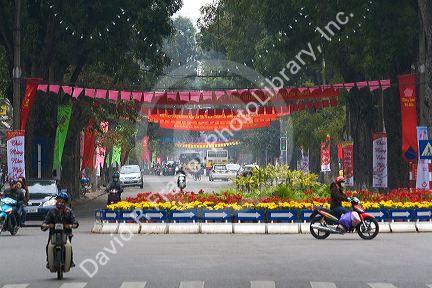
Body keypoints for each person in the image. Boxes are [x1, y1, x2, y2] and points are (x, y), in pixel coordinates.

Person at [41, 192, 78, 268]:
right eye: (58, 201)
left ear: (66, 203)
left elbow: (75, 223)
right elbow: (45, 222)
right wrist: (46, 225)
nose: (60, 203)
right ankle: (49, 261)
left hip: (66, 234)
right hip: (53, 234)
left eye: (62, 201)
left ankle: (70, 261)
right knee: (48, 246)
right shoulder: (51, 212)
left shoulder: (69, 212)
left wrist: (69, 225)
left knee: (69, 246)